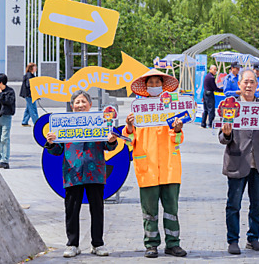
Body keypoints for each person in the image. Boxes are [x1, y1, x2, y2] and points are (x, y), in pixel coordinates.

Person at [45, 90, 118, 258]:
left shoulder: (100, 122)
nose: (80, 105)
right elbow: (57, 150)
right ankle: (72, 244)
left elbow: (108, 146)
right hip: (73, 172)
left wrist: (111, 140)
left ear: (90, 105)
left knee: (97, 209)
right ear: (72, 106)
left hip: (95, 172)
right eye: (77, 102)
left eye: (83, 102)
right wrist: (51, 142)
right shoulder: (63, 125)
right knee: (71, 210)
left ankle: (97, 244)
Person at [125, 69, 187, 258]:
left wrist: (177, 129)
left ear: (162, 86)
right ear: (145, 87)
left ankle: (173, 244)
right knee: (149, 211)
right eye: (150, 83)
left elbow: (178, 140)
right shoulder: (138, 111)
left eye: (157, 83)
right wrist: (129, 127)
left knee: (171, 210)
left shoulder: (171, 110)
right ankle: (151, 244)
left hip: (170, 168)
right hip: (147, 169)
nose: (154, 86)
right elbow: (129, 142)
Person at [219, 68, 259, 255]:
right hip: (237, 162)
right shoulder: (231, 106)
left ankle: (253, 238)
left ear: (257, 85)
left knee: (257, 204)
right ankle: (232, 240)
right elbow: (222, 137)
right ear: (239, 84)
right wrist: (227, 133)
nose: (249, 85)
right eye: (245, 82)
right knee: (234, 204)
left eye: (252, 82)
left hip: (258, 163)